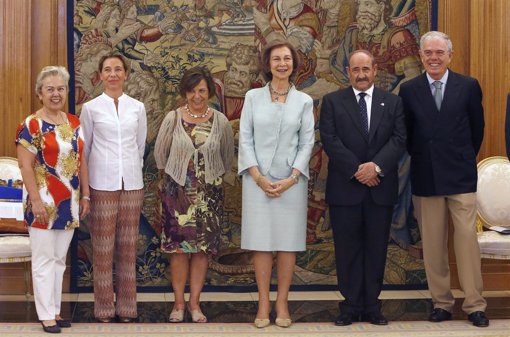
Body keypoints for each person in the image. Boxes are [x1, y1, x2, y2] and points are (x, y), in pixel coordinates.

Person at [399, 31, 489, 327]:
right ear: (421, 56)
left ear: (449, 55)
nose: (434, 57)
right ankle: (442, 303)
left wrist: (462, 157)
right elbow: (408, 136)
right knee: (434, 245)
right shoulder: (410, 90)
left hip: (461, 176)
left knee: (466, 242)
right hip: (426, 176)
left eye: (439, 52)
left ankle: (475, 305)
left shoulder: (468, 86)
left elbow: (477, 129)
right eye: (428, 53)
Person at [319, 50, 406, 326]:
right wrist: (359, 170)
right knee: (347, 250)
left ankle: (372, 307)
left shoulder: (392, 103)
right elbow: (329, 140)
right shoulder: (333, 102)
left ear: (375, 70)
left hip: (379, 188)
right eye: (356, 70)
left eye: (365, 69)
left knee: (376, 248)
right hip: (346, 188)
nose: (361, 74)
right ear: (348, 72)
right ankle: (350, 306)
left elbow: (399, 138)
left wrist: (375, 167)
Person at [238, 40, 315, 328]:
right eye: (276, 59)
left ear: (294, 63)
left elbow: (308, 142)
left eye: (287, 59)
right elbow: (245, 138)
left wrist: (293, 177)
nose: (282, 64)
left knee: (287, 244)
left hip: (291, 183)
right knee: (261, 243)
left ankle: (282, 302)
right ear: (268, 65)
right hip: (256, 181)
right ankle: (263, 302)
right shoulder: (253, 97)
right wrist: (257, 176)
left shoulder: (304, 101)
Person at [154, 66, 234, 323]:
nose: (197, 96)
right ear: (185, 92)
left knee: (202, 251)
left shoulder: (220, 120)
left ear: (209, 92)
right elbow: (160, 154)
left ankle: (195, 304)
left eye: (202, 90)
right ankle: (178, 304)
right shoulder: (173, 118)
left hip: (209, 195)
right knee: (179, 250)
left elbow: (226, 155)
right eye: (192, 91)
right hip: (178, 194)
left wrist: (213, 177)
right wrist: (171, 183)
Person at [16, 66, 90, 333]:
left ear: (67, 92)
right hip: (43, 202)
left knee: (59, 259)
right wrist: (35, 201)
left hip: (69, 202)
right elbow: (25, 167)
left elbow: (82, 160)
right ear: (40, 94)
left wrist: (86, 194)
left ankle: (56, 310)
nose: (56, 94)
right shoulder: (31, 125)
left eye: (61, 88)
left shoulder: (74, 122)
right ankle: (45, 314)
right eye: (50, 89)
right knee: (44, 259)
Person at [80, 53, 147, 323]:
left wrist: (130, 169)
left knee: (128, 247)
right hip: (101, 183)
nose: (113, 74)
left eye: (118, 69)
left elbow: (140, 146)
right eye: (107, 70)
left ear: (126, 74)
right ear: (100, 75)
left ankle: (128, 307)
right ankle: (105, 308)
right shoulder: (91, 108)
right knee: (103, 247)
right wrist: (85, 190)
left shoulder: (137, 107)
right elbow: (84, 151)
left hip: (131, 183)